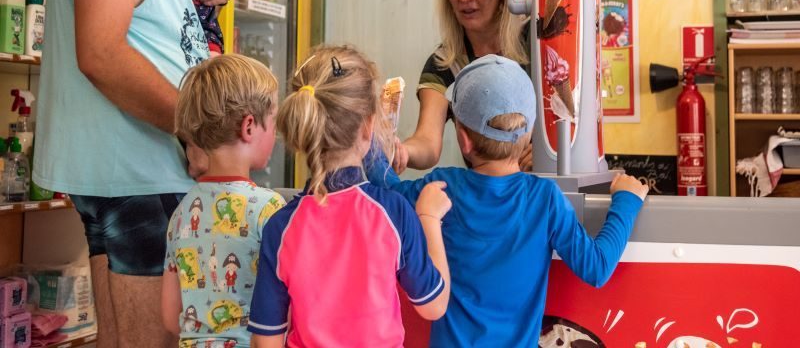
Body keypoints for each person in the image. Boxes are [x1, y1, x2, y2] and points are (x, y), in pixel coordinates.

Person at [33, 0, 231, 348]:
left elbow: (136, 19)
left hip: (135, 173)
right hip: (134, 174)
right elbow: (100, 52)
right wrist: (193, 130)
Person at [366, 54, 649, 346]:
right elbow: (597, 267)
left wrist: (374, 142)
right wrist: (627, 201)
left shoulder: (441, 188)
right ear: (529, 134)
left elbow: (383, 194)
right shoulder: (544, 199)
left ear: (463, 140)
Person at [248, 45, 451, 347]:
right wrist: (429, 219)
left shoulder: (280, 228)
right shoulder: (392, 212)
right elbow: (433, 305)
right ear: (368, 126)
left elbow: (267, 342)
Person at [162, 54, 286, 347]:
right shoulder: (270, 209)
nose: (276, 132)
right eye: (273, 122)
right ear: (249, 126)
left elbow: (170, 317)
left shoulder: (181, 212)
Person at [394, 0, 530, 172]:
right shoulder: (444, 63)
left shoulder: (537, 43)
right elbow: (427, 142)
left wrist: (543, 152)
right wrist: (399, 151)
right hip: (488, 200)